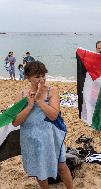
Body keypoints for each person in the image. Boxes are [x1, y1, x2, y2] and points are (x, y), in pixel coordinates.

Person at [12, 61, 73, 189]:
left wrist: (39, 100)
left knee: (61, 165)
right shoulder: (22, 95)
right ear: (27, 77)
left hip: (51, 136)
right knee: (40, 169)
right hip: (31, 137)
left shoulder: (52, 91)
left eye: (43, 75)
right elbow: (15, 122)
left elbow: (53, 115)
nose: (42, 79)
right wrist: (29, 106)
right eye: (37, 77)